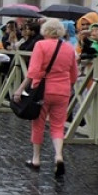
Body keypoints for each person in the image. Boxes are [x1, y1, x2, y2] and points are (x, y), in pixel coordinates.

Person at [13, 19, 78, 177]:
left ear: (46, 31)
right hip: (62, 90)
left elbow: (33, 71)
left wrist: (20, 89)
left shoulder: (40, 45)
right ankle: (58, 155)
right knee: (58, 125)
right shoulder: (69, 48)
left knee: (38, 123)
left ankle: (36, 159)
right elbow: (74, 74)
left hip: (42, 91)